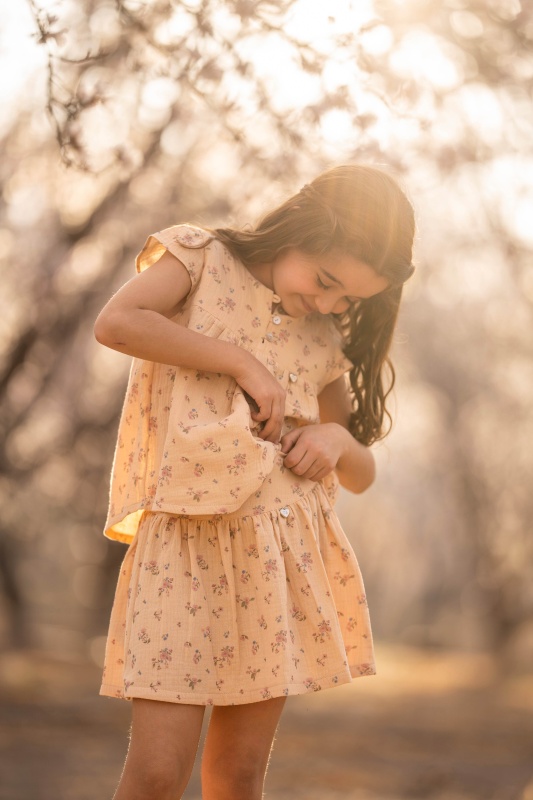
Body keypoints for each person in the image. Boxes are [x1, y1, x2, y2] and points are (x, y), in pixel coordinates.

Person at [94, 164, 415, 800]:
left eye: (349, 300)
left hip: (274, 564)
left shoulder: (324, 342)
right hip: (181, 554)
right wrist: (244, 362)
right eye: (325, 281)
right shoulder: (199, 259)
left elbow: (361, 474)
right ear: (296, 228)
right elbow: (118, 322)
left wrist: (336, 439)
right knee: (157, 776)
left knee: (237, 779)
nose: (328, 305)